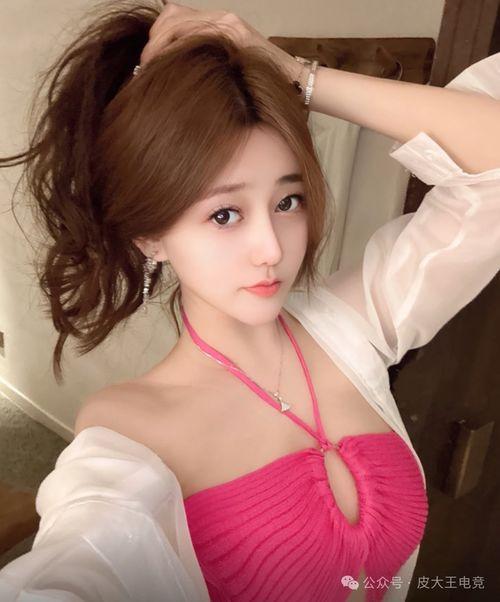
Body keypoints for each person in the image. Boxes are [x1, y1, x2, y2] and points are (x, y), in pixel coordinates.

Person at [0, 1, 499, 600]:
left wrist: (293, 73)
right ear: (150, 237)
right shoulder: (128, 436)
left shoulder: (351, 328)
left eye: (288, 202)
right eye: (225, 214)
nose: (271, 248)